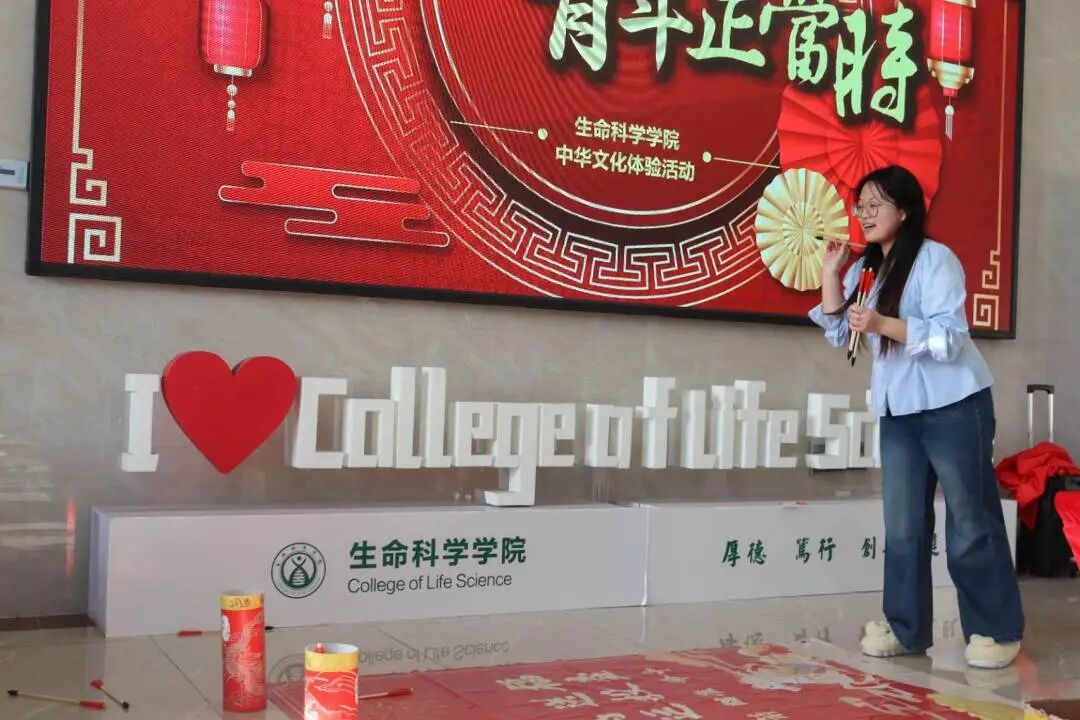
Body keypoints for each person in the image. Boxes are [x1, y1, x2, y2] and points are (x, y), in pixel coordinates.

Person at [809, 165, 1025, 669]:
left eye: (875, 205)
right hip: (899, 412)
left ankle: (996, 629)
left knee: (970, 520)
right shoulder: (869, 269)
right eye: (860, 206)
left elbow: (950, 339)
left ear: (904, 211)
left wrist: (884, 322)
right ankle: (907, 629)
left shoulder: (934, 259)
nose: (865, 215)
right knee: (903, 526)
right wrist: (830, 274)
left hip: (955, 406)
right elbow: (842, 334)